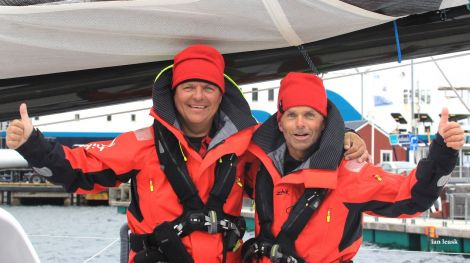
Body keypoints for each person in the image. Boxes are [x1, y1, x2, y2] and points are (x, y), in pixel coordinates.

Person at [6, 45, 367, 263]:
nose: (198, 97)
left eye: (208, 87)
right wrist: (32, 143)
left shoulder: (248, 146)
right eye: (189, 87)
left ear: (221, 94)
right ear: (173, 93)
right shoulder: (142, 143)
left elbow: (295, 157)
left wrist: (343, 139)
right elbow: (80, 172)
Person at [242, 72, 465, 263]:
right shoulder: (258, 168)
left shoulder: (350, 174)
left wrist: (443, 152)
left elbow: (412, 197)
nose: (300, 123)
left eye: (309, 115)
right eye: (291, 115)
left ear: (323, 122)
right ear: (280, 123)